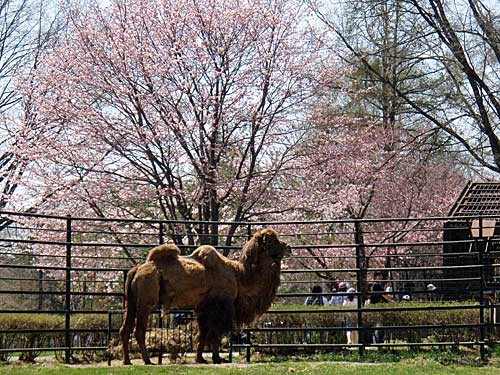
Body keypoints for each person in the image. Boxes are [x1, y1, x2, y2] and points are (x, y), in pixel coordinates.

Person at [367, 272, 395, 344]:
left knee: (374, 324)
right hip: (376, 306)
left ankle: (372, 339)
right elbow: (383, 295)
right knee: (379, 324)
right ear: (377, 276)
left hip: (373, 305)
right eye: (380, 276)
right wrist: (391, 301)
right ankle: (378, 340)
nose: (381, 278)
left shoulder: (373, 285)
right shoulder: (376, 285)